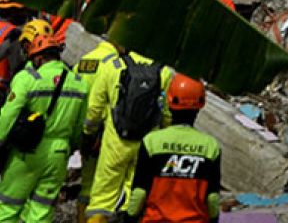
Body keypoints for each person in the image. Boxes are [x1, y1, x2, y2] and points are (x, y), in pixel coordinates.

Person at [0, 33, 88, 223]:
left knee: (8, 206)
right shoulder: (79, 83)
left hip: (26, 152)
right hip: (59, 153)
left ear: (38, 57)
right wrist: (70, 147)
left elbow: (8, 116)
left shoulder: (28, 78)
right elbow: (79, 126)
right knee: (42, 210)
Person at [82, 48, 172, 223]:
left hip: (115, 143)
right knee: (135, 196)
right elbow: (167, 115)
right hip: (147, 145)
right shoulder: (164, 72)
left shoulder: (114, 66)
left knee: (102, 199)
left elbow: (94, 108)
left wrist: (88, 133)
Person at [127, 74, 221, 223]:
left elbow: (139, 193)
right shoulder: (211, 147)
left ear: (169, 103)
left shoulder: (152, 142)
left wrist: (129, 218)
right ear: (200, 104)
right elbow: (212, 198)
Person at [72, 37, 121, 223]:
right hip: (101, 132)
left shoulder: (84, 60)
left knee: (86, 184)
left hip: (82, 130)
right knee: (100, 188)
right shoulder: (113, 65)